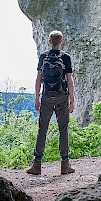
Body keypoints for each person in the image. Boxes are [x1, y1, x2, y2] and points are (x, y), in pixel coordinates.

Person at [26, 30, 76, 175]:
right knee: (63, 129)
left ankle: (37, 165)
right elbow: (69, 80)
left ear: (49, 41)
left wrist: (37, 98)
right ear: (61, 41)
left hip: (46, 97)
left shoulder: (43, 57)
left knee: (42, 130)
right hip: (61, 97)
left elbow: (38, 79)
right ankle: (65, 164)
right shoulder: (65, 57)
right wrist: (72, 100)